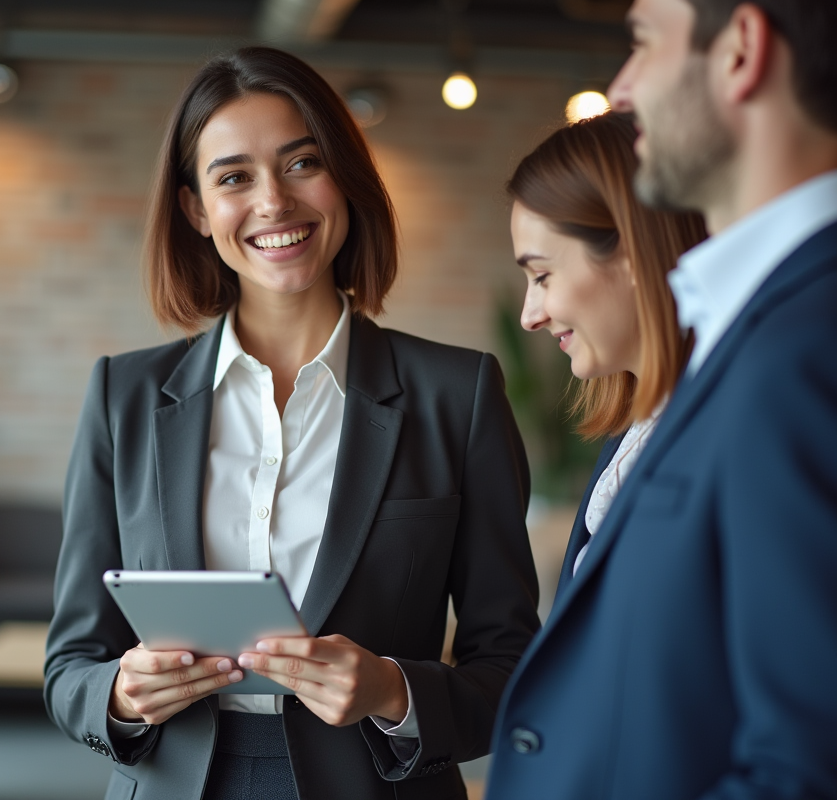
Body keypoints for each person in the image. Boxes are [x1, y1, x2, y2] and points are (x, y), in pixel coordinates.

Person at [44, 47, 541, 800]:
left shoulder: (457, 393)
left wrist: (392, 692)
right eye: (234, 177)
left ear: (345, 176)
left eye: (302, 163)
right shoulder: (125, 396)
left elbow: (511, 666)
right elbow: (70, 665)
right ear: (196, 211)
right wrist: (117, 694)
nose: (273, 203)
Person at [486, 1, 837, 798]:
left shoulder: (805, 344)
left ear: (740, 50)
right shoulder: (741, 341)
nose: (620, 86)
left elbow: (804, 763)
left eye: (643, 41)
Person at [507, 111, 706, 598]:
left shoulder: (733, 427)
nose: (529, 316)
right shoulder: (633, 436)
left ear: (632, 253)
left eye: (542, 276)